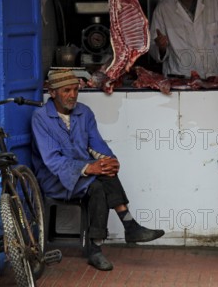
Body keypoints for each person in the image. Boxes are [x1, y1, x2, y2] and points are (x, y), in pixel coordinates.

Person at [31, 69, 165, 271]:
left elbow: (97, 145)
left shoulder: (84, 113)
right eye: (67, 90)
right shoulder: (40, 118)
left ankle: (117, 235)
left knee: (106, 173)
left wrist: (110, 161)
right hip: (55, 178)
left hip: (84, 176)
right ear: (52, 92)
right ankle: (102, 244)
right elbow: (53, 161)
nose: (73, 95)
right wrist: (88, 167)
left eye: (76, 89)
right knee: (97, 186)